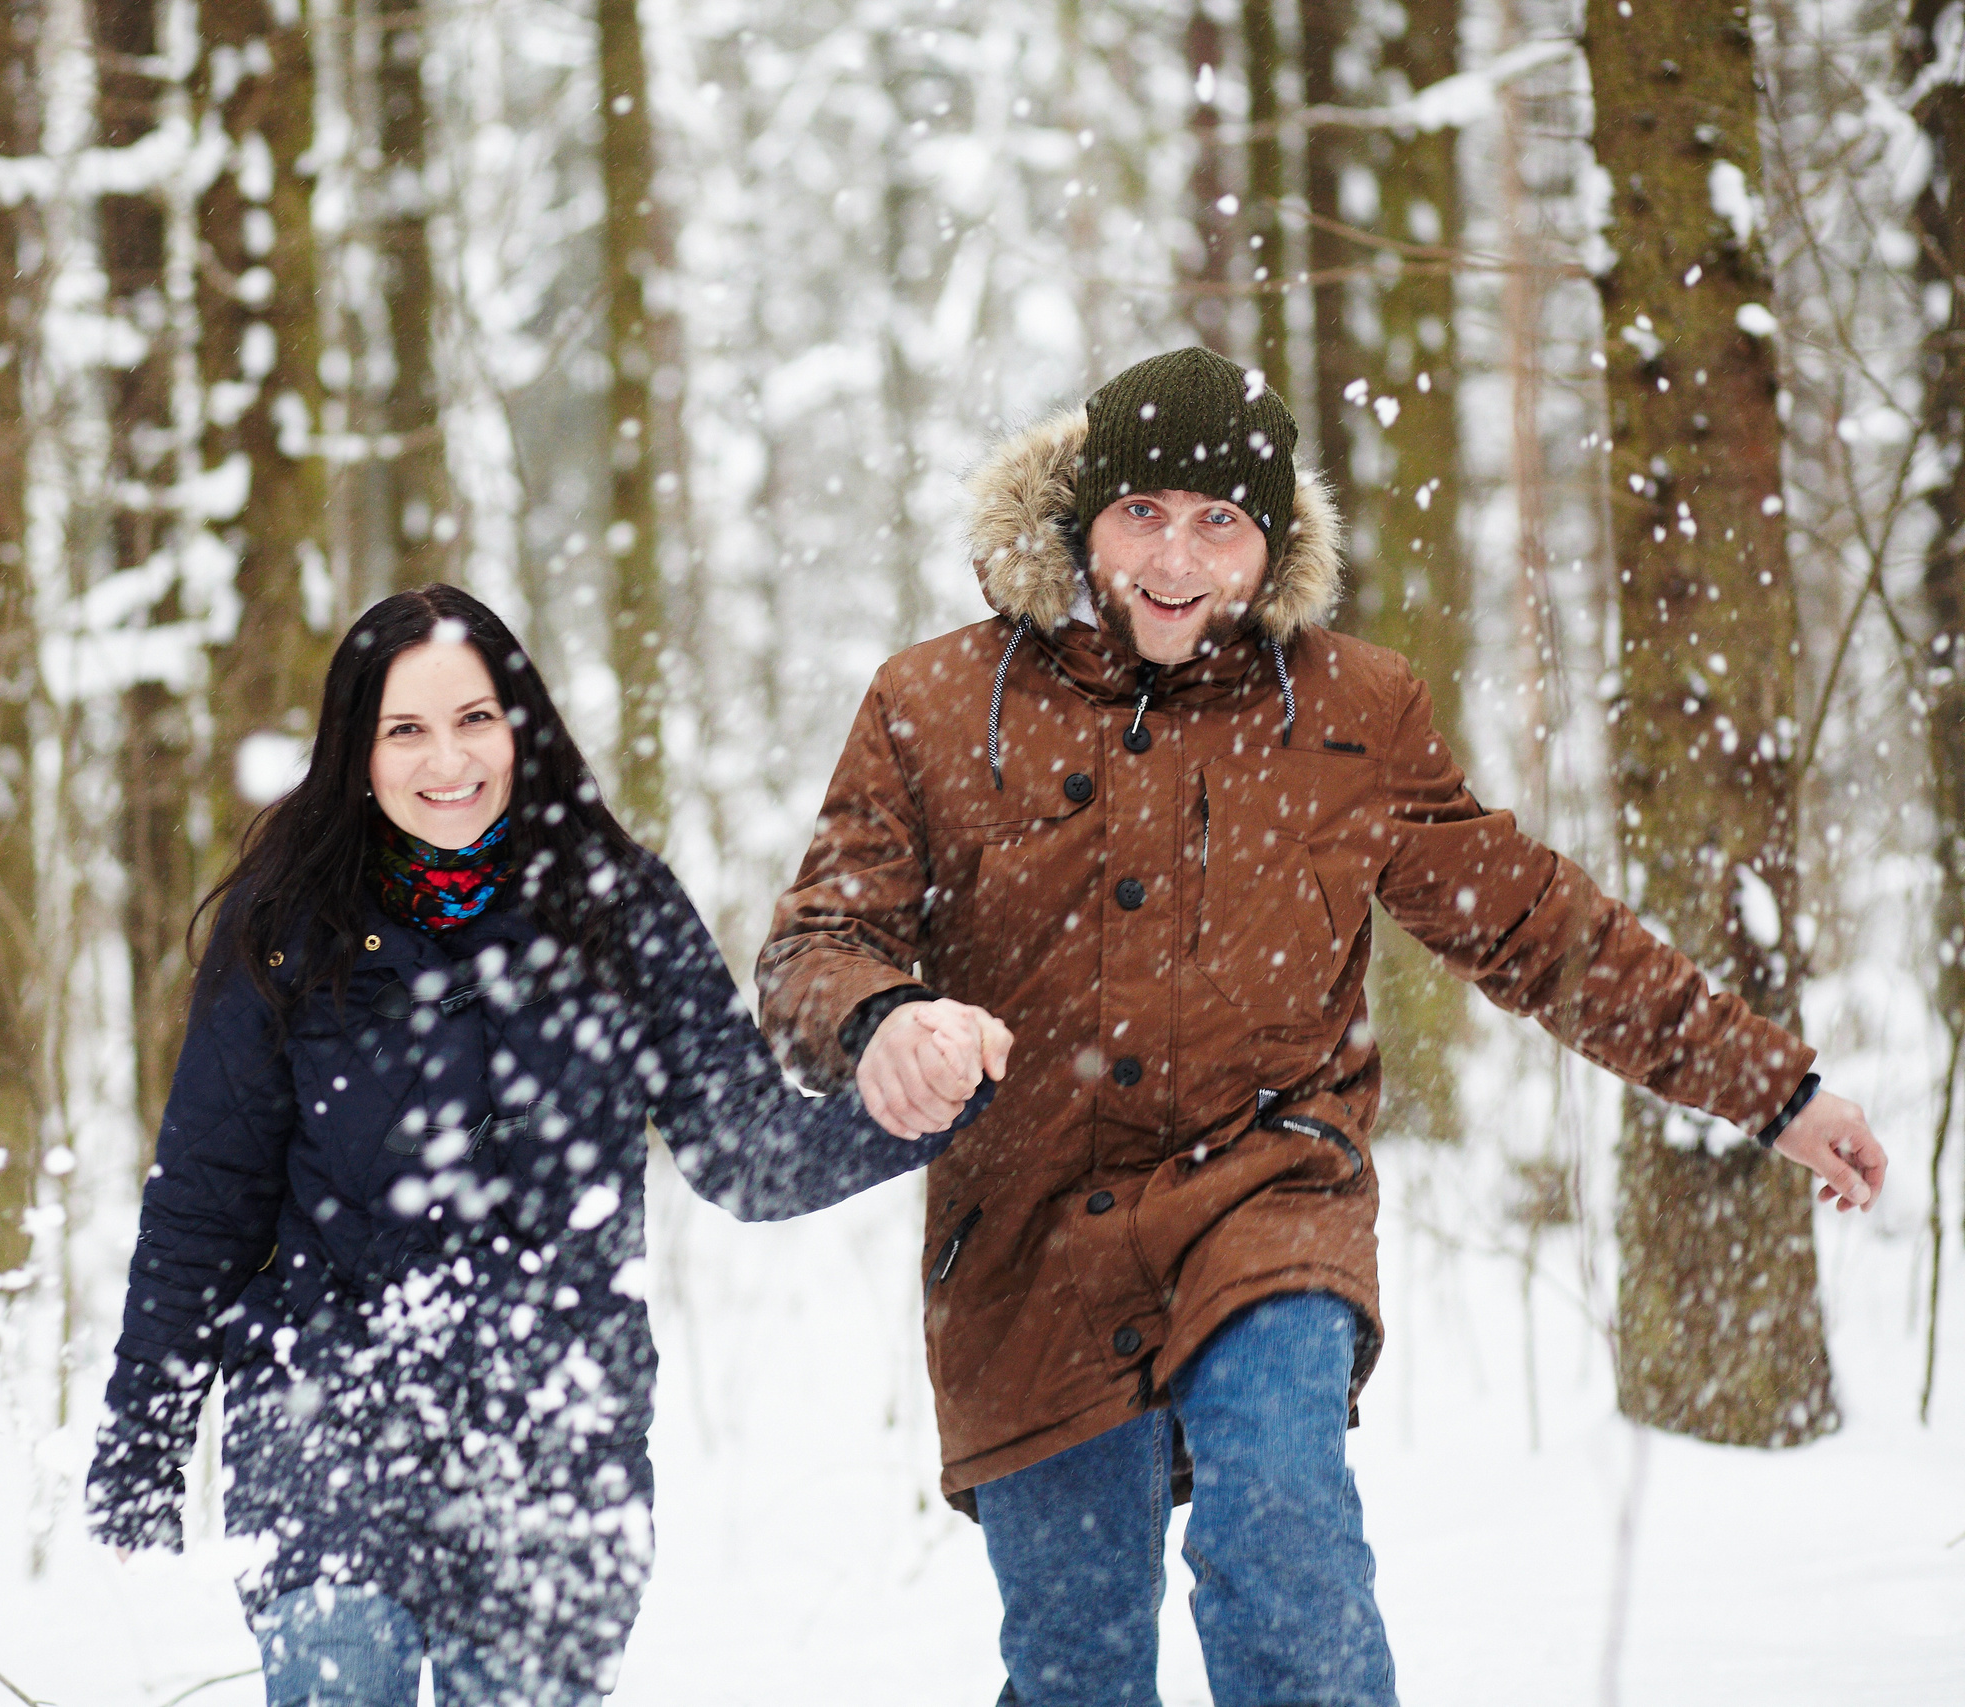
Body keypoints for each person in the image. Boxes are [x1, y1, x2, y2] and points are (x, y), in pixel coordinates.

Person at [754, 346, 1890, 1706]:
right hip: (1026, 1234)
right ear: (1082, 514)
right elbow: (816, 943)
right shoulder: (936, 705)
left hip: (1266, 1188)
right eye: (1144, 513)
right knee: (1076, 1659)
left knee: (1283, 1542)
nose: (1176, 558)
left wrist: (1775, 1090)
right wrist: (880, 1015)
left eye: (1219, 521)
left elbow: (1540, 925)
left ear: (1273, 541)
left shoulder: (1351, 714)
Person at [83, 584, 1009, 1707]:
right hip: (326, 1428)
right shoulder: (287, 928)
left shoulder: (617, 907)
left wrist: (914, 1099)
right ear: (356, 752)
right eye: (406, 731)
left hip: (555, 1437)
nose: (448, 762)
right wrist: (146, 1437)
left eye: (475, 720)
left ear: (521, 725)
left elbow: (745, 1154)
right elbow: (205, 1206)